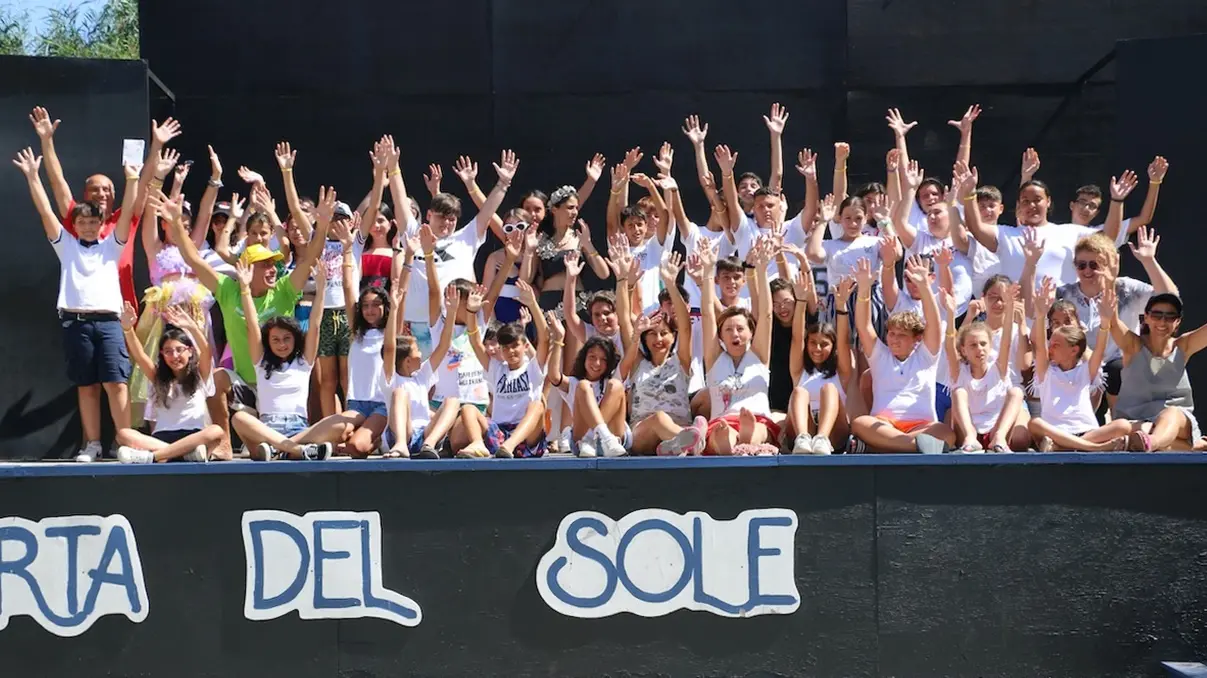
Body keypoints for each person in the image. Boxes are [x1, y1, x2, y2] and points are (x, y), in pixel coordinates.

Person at [164, 173, 327, 451]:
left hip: (277, 387)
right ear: (247, 270)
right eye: (265, 265)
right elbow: (192, 257)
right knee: (217, 378)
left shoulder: (285, 288)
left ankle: (289, 444)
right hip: (245, 385)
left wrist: (321, 226)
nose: (272, 269)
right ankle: (224, 446)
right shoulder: (228, 288)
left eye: (273, 264)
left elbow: (312, 256)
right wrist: (176, 223)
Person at [16, 147, 138, 462]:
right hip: (76, 322)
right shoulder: (66, 245)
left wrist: (132, 179)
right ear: (75, 224)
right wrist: (32, 177)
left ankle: (126, 443)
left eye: (92, 221)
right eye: (81, 221)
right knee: (87, 386)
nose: (87, 226)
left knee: (117, 383)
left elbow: (128, 212)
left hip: (110, 323)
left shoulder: (113, 245)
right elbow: (46, 211)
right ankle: (92, 445)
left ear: (101, 223)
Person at [29, 107, 180, 311]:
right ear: (85, 194)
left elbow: (143, 185)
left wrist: (157, 146)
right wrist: (46, 140)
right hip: (84, 308)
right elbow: (57, 182)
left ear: (114, 195)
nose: (101, 194)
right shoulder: (76, 218)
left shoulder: (124, 220)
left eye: (106, 189)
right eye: (95, 189)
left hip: (123, 308)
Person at [1049, 228, 1178, 414]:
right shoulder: (1064, 294)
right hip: (1080, 367)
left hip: (1119, 366)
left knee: (1117, 370)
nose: (1087, 270)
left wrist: (1149, 261)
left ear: (1109, 263)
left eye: (1094, 264)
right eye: (1081, 265)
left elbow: (1171, 298)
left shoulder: (1126, 288)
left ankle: (1122, 421)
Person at [229, 259, 342, 461]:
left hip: (299, 429)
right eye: (276, 340)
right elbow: (252, 325)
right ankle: (294, 450)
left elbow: (315, 325)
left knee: (340, 423)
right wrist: (245, 289)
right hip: (266, 430)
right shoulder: (261, 362)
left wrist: (321, 290)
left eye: (286, 339)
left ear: (295, 339)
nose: (282, 344)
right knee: (239, 418)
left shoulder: (303, 362)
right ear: (268, 342)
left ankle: (282, 449)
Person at [849, 257, 955, 453]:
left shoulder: (926, 356)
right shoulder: (880, 356)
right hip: (884, 425)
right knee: (860, 423)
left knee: (945, 432)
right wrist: (864, 289)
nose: (894, 340)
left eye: (902, 335)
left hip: (922, 426)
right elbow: (864, 326)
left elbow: (934, 324)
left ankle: (884, 446)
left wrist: (924, 287)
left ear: (917, 338)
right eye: (891, 334)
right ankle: (913, 446)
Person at [617, 251, 706, 456]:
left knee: (691, 421)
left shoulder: (681, 361)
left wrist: (671, 284)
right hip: (644, 432)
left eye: (664, 333)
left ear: (673, 337)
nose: (658, 339)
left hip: (680, 425)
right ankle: (693, 443)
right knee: (659, 418)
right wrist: (623, 281)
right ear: (644, 338)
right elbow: (624, 320)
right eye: (652, 334)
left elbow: (686, 327)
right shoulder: (638, 363)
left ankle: (676, 445)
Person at [698, 234, 780, 456]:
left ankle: (747, 439)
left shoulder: (759, 355)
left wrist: (761, 270)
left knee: (759, 429)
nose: (735, 334)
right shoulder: (715, 358)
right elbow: (707, 314)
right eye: (728, 330)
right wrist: (707, 271)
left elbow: (767, 314)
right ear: (720, 336)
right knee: (722, 432)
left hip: (757, 419)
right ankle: (733, 444)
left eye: (741, 329)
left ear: (751, 332)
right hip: (723, 422)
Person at [1027, 277, 1130, 451]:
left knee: (1123, 425)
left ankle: (1063, 448)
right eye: (1050, 344)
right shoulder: (1046, 371)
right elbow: (1039, 346)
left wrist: (1105, 322)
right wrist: (1040, 314)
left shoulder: (1085, 370)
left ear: (1074, 350)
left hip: (1086, 431)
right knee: (1035, 423)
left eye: (1056, 345)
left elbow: (1099, 350)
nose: (1049, 348)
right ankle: (1093, 448)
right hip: (1054, 432)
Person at [452, 283, 550, 458]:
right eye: (506, 347)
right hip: (499, 433)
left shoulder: (533, 367)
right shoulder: (496, 369)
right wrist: (471, 312)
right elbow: (475, 342)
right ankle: (478, 444)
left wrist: (533, 304)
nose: (510, 351)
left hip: (526, 435)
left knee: (537, 406)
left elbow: (545, 338)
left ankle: (509, 446)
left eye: (515, 346)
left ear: (525, 346)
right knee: (468, 408)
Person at [115, 305, 223, 463]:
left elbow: (206, 351)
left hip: (193, 437)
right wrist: (128, 329)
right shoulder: (157, 377)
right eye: (168, 351)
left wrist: (191, 327)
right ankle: (182, 454)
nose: (174, 356)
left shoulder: (199, 375)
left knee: (216, 431)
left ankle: (155, 456)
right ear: (162, 354)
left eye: (180, 350)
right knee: (123, 434)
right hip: (162, 438)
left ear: (190, 351)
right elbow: (139, 355)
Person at [1104, 290, 1203, 451]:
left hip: (1177, 421)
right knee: (1140, 430)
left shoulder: (1182, 346)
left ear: (1177, 321)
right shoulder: (1133, 345)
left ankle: (1151, 443)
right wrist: (1108, 284)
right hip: (1136, 423)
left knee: (1171, 413)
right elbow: (1113, 323)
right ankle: (1193, 445)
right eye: (1157, 315)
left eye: (1170, 316)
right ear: (1146, 317)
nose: (1162, 321)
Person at [380, 274, 462, 459]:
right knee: (400, 393)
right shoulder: (391, 379)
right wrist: (394, 309)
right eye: (417, 349)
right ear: (407, 360)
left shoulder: (422, 375)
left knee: (453, 400)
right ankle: (401, 445)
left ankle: (429, 445)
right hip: (402, 434)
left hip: (424, 433)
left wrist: (451, 313)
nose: (421, 353)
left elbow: (443, 346)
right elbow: (390, 347)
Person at [942, 285, 1030, 452]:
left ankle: (999, 439)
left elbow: (1006, 341)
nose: (979, 349)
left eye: (983, 344)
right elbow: (949, 346)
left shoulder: (998, 368)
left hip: (995, 431)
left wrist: (1010, 306)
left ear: (990, 347)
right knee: (958, 392)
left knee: (1016, 392)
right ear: (963, 350)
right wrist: (951, 314)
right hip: (968, 434)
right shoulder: (959, 371)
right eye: (973, 345)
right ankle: (970, 437)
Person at [787, 273, 854, 455]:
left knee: (829, 389)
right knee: (799, 391)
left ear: (833, 347)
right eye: (812, 343)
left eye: (824, 344)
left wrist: (841, 306)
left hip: (834, 432)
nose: (817, 349)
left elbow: (844, 340)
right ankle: (802, 439)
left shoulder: (842, 372)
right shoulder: (799, 371)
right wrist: (801, 301)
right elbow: (797, 337)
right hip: (804, 428)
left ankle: (822, 439)